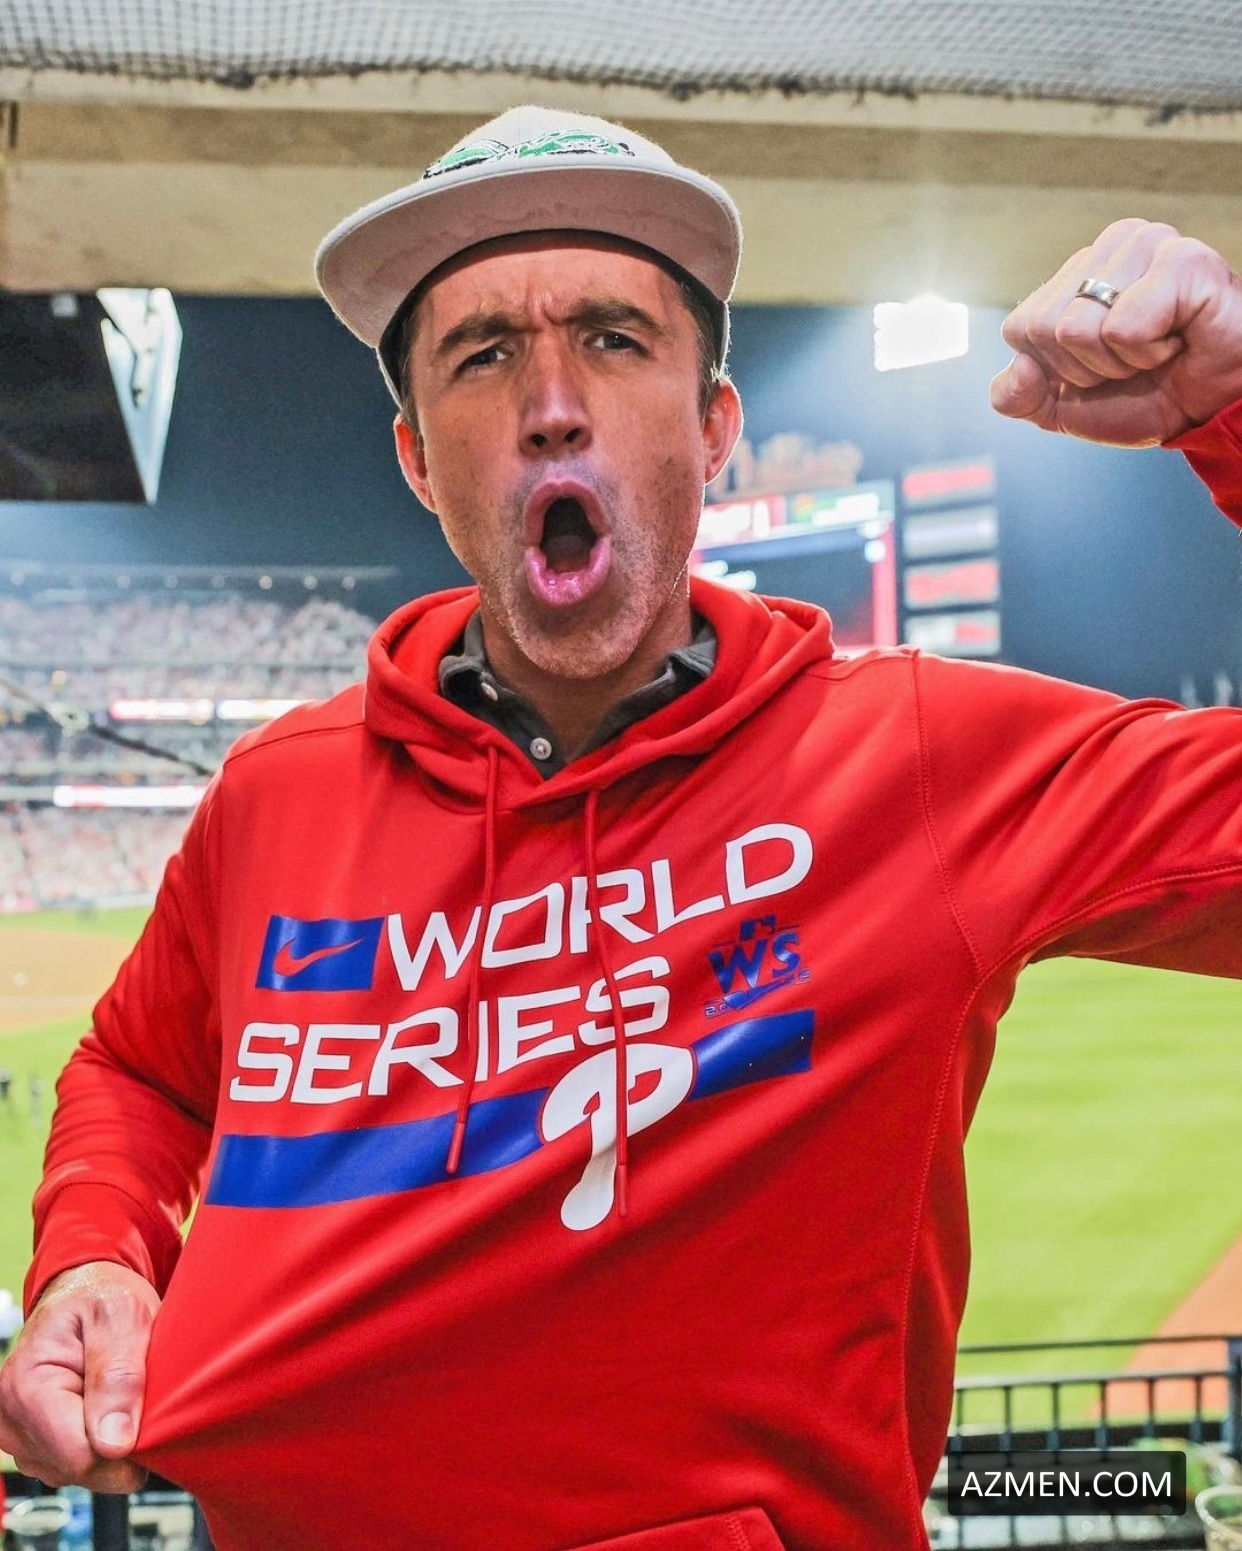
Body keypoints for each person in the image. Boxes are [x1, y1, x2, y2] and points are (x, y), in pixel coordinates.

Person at [0, 104, 1240, 1551]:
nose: (551, 402)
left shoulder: (917, 758)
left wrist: (1233, 410)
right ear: (417, 459)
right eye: (482, 353)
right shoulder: (279, 789)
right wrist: (94, 1256)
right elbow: (141, 1069)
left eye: (612, 337)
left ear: (714, 430)